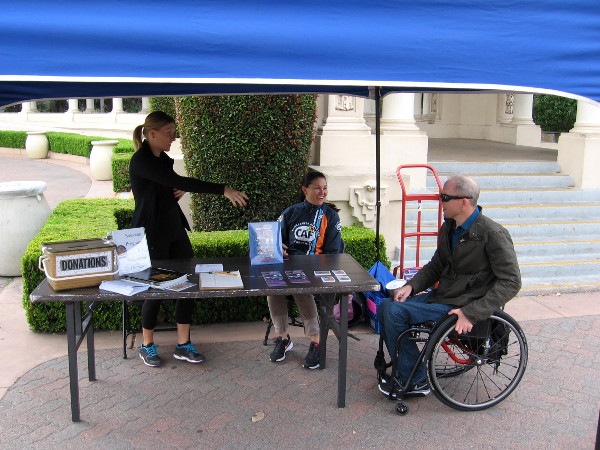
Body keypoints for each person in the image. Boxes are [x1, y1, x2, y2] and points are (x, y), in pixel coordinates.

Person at [377, 175, 521, 397]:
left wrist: (471, 313)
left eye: (444, 197)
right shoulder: (450, 227)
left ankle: (415, 379)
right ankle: (410, 370)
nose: (440, 201)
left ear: (464, 201)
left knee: (393, 311)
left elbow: (511, 282)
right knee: (387, 305)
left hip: (463, 305)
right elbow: (437, 265)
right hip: (443, 297)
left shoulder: (492, 234)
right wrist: (412, 286)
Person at [130, 111, 249, 367]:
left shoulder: (163, 159)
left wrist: (175, 193)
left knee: (187, 285)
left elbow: (167, 188)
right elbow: (174, 181)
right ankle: (146, 344)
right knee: (155, 290)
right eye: (169, 132)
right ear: (152, 134)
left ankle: (183, 344)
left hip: (174, 230)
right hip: (151, 236)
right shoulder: (141, 161)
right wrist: (223, 190)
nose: (174, 137)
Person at [267, 171, 342, 369]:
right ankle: (283, 338)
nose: (322, 192)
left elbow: (333, 253)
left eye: (325, 188)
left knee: (302, 290)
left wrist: (310, 267)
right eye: (317, 187)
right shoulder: (291, 212)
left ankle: (316, 342)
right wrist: (277, 248)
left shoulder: (330, 216)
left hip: (314, 271)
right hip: (287, 268)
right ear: (305, 189)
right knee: (272, 288)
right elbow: (274, 240)